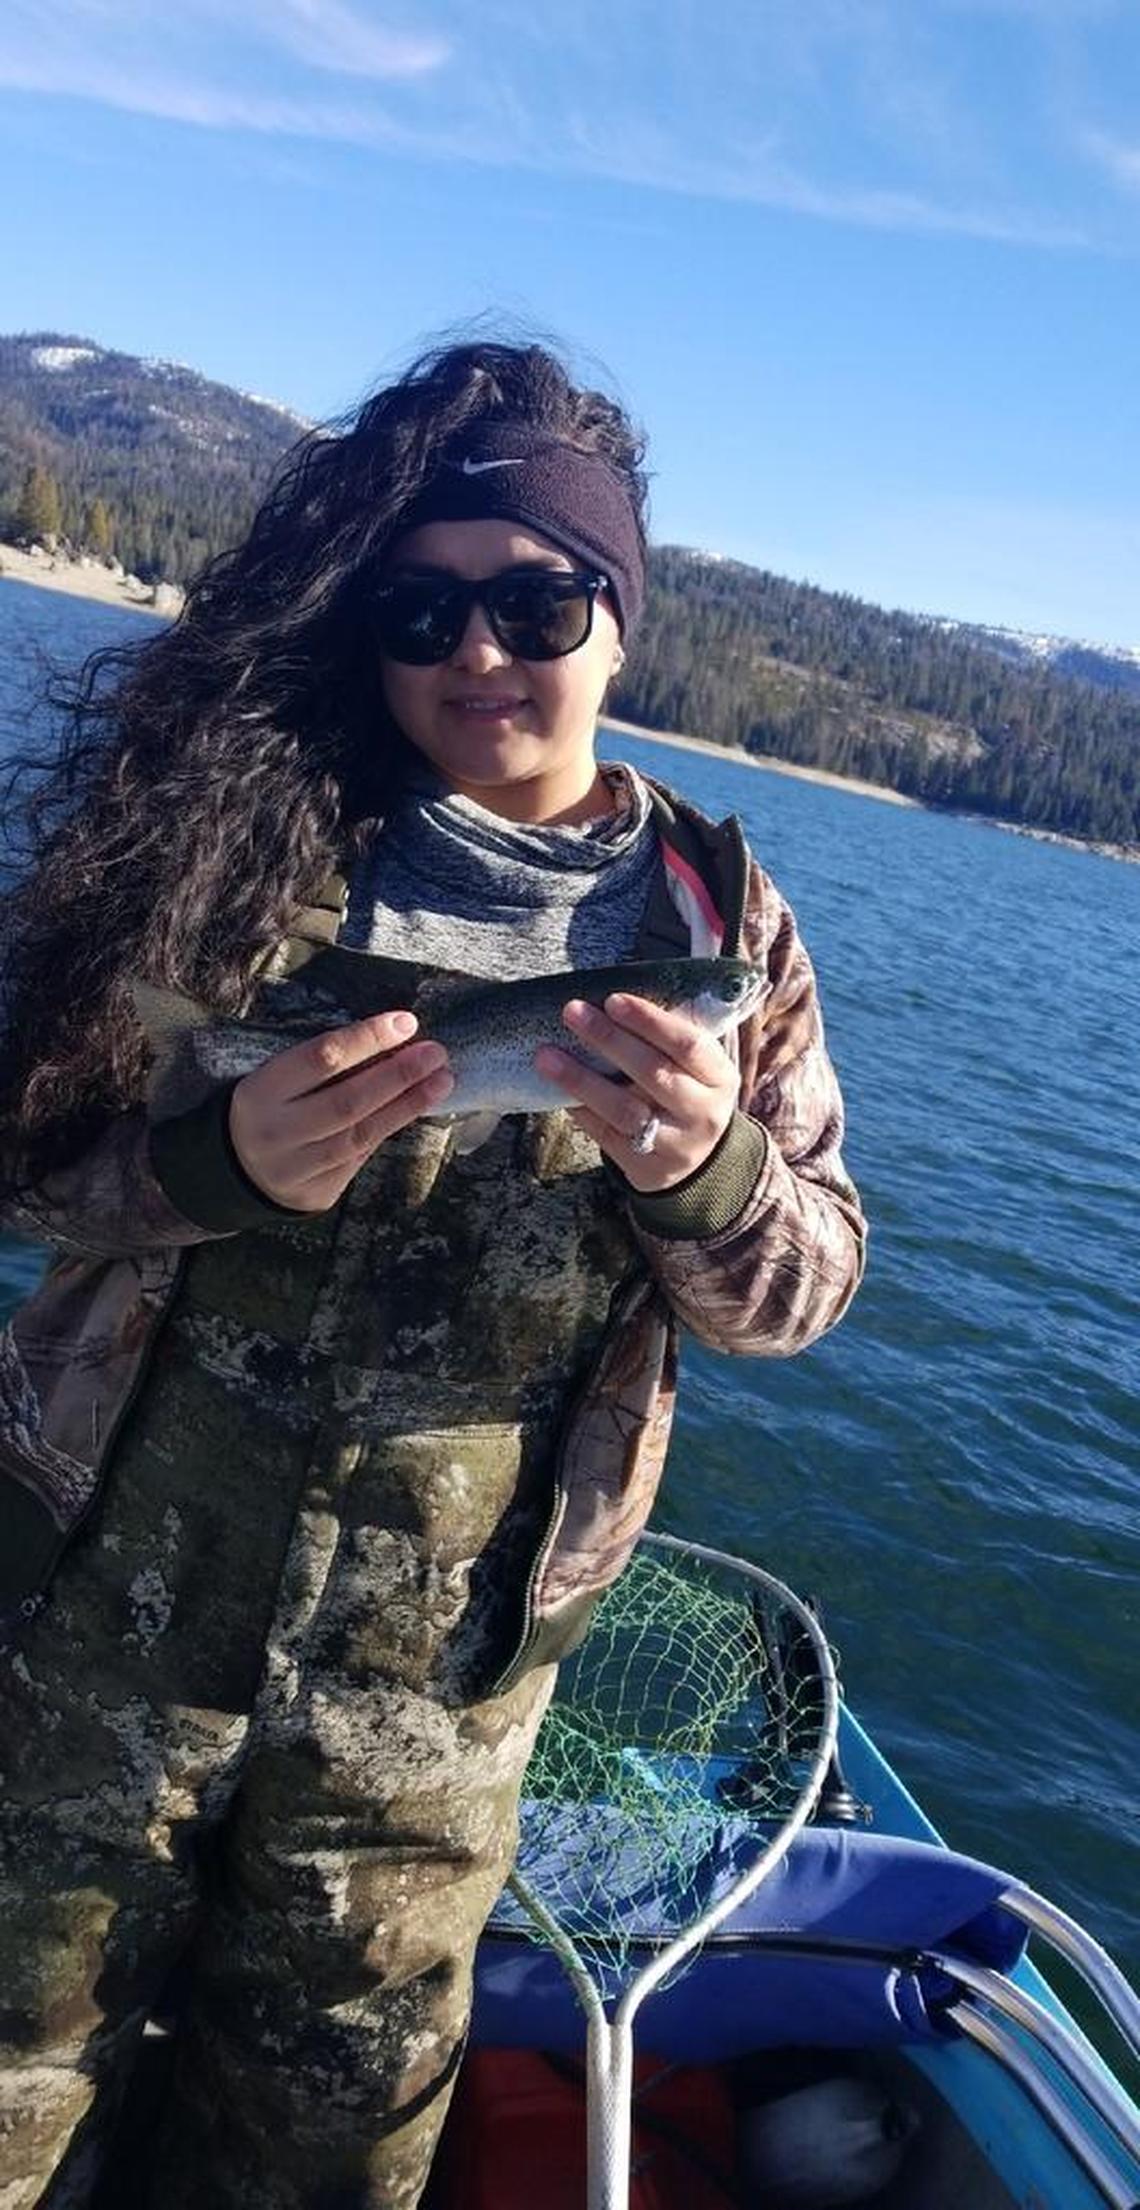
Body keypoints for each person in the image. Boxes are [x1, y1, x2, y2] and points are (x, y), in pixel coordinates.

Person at [0, 336, 866, 2210]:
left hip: (428, 1736)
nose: (478, 656)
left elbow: (807, 1287)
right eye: (421, 608)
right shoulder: (235, 846)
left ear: (619, 618)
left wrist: (704, 1171)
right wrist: (206, 1167)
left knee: (311, 2170)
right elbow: (27, 1162)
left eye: (537, 602)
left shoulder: (726, 930)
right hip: (80, 1635)